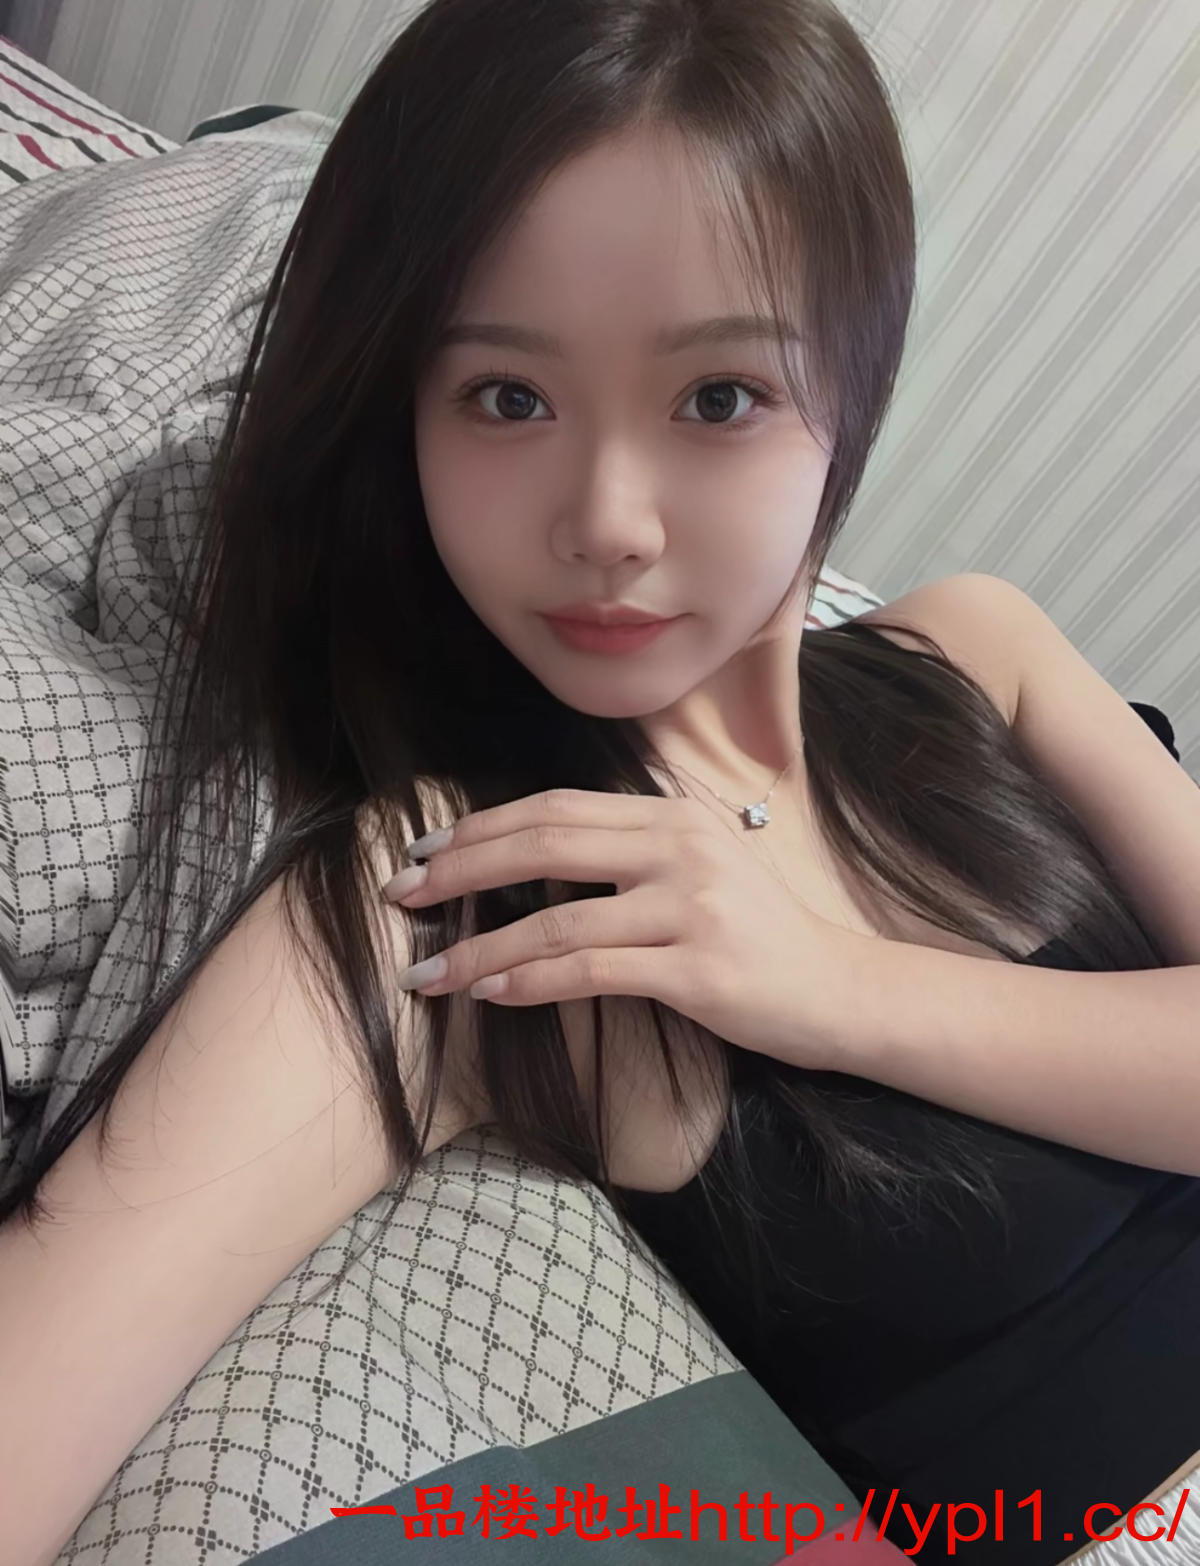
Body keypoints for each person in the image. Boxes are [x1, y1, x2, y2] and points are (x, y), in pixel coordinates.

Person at [1, 1, 1198, 1562]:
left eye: (719, 396)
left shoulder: (980, 650)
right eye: (507, 396)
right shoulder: (463, 888)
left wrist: (834, 987)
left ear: (853, 382)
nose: (610, 521)